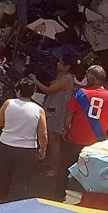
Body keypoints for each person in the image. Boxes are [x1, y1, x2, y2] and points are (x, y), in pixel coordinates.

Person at [59, 65, 108, 197]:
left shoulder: (80, 93)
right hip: (97, 143)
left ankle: (59, 194)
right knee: (91, 171)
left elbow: (69, 114)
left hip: (75, 138)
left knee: (66, 167)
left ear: (91, 77)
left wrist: (66, 129)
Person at [0, 79, 47, 202]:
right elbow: (43, 134)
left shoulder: (8, 103)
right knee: (21, 177)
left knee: (4, 172)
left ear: (18, 91)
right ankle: (14, 201)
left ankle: (2, 196)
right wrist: (43, 149)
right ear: (33, 93)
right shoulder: (39, 110)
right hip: (27, 149)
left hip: (6, 144)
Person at [31, 48, 77, 177]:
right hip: (52, 109)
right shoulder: (61, 77)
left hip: (57, 113)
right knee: (52, 140)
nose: (58, 64)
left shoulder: (66, 79)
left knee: (54, 141)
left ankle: (54, 169)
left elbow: (48, 90)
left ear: (67, 67)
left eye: (61, 63)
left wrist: (35, 80)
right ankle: (50, 163)